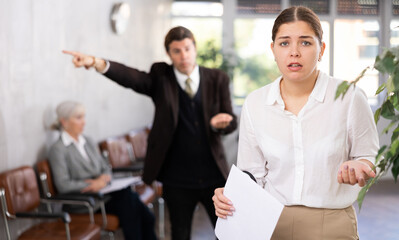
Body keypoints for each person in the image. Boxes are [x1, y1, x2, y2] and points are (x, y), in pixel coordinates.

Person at [212, 6, 379, 240]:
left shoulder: (349, 97)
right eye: (284, 43)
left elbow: (369, 156)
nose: (294, 52)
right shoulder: (256, 103)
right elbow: (251, 174)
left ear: (321, 49)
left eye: (305, 42)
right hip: (270, 222)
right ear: (273, 49)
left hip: (332, 224)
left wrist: (361, 165)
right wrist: (229, 195)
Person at [63, 26, 237, 240]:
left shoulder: (217, 78)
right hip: (177, 178)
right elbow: (132, 77)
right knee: (179, 233)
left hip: (213, 175)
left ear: (195, 48)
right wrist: (96, 63)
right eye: (176, 51)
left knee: (228, 232)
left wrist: (220, 124)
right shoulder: (161, 77)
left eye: (187, 49)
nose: (183, 56)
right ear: (168, 54)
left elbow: (231, 121)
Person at [48, 101, 157, 240]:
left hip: (105, 195)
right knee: (130, 206)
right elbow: (63, 184)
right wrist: (92, 185)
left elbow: (105, 166)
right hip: (86, 203)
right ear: (64, 121)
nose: (84, 122)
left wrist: (104, 177)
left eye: (84, 117)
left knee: (143, 213)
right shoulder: (58, 149)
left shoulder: (87, 141)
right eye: (79, 118)